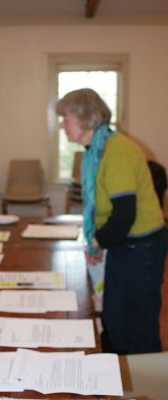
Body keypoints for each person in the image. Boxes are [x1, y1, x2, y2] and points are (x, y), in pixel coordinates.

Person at [56, 88, 167, 355]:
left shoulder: (116, 151)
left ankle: (146, 392)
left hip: (141, 250)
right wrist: (100, 244)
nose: (62, 125)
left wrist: (98, 242)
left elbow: (124, 214)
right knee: (114, 320)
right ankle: (116, 382)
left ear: (85, 119)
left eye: (66, 118)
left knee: (138, 329)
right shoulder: (95, 151)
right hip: (125, 245)